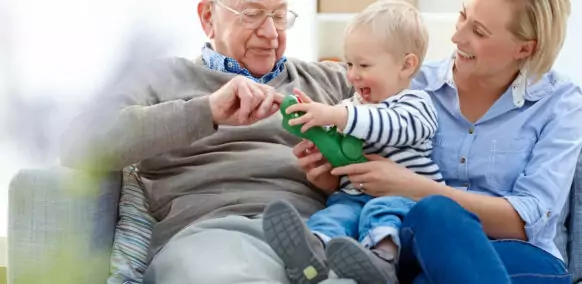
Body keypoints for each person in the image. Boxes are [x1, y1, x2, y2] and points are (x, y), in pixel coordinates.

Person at [60, 0, 356, 283]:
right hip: (211, 234)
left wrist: (345, 172)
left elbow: (400, 115)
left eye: (279, 16)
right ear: (208, 18)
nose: (270, 33)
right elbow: (78, 143)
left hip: (316, 236)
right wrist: (208, 110)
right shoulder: (161, 79)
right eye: (252, 14)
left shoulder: (333, 81)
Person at [298, 0, 582, 283]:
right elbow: (367, 137)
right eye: (462, 16)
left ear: (524, 48)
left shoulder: (561, 103)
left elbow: (528, 221)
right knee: (432, 219)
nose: (456, 37)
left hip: (520, 255)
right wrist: (333, 176)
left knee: (436, 224)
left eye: (479, 32)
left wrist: (415, 187)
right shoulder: (406, 81)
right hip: (419, 241)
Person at [261, 2, 443, 283]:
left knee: (380, 213)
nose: (352, 75)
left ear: (407, 65)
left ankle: (383, 262)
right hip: (352, 195)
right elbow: (339, 133)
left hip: (405, 199)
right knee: (334, 214)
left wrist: (336, 114)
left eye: (364, 65)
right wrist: (317, 130)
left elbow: (394, 128)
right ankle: (312, 256)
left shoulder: (416, 104)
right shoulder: (351, 106)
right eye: (349, 64)